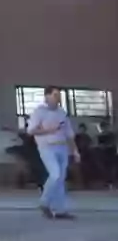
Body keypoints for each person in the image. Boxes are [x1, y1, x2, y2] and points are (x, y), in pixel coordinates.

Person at [27, 86, 80, 219]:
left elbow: (69, 134)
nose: (58, 98)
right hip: (47, 147)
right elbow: (31, 131)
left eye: (59, 96)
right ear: (47, 96)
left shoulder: (62, 112)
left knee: (61, 179)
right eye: (55, 95)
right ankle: (44, 202)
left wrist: (75, 151)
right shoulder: (39, 112)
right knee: (55, 174)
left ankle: (60, 210)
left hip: (62, 148)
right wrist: (49, 130)